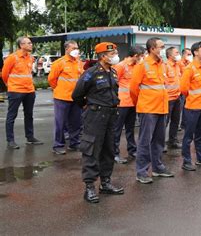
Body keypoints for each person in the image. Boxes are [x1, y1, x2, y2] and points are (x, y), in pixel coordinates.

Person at [72, 42, 124, 203]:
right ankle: (89, 187)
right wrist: (89, 107)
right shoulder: (91, 73)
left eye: (114, 52)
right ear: (102, 56)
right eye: (112, 53)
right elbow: (77, 95)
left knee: (109, 149)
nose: (115, 55)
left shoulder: (113, 72)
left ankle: (105, 183)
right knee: (92, 150)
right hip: (95, 116)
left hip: (111, 115)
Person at [129, 37, 173, 184]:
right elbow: (133, 89)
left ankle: (157, 167)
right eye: (161, 47)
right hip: (148, 109)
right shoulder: (142, 66)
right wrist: (140, 105)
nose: (163, 49)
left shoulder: (162, 65)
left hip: (162, 108)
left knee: (159, 141)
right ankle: (142, 171)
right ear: (152, 49)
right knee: (144, 141)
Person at [2, 36, 43, 149]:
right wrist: (10, 85)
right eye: (28, 43)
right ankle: (10, 141)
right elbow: (4, 74)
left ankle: (30, 137)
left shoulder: (30, 58)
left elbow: (28, 73)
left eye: (30, 43)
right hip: (15, 91)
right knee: (12, 116)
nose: (31, 45)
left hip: (29, 90)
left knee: (29, 115)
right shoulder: (12, 58)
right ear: (21, 45)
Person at [180, 41, 201, 171]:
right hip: (192, 107)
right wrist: (192, 97)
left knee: (200, 135)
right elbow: (183, 88)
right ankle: (186, 161)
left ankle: (200, 158)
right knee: (188, 135)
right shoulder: (190, 68)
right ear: (195, 52)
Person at [48, 40, 83, 155]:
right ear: (66, 49)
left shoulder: (78, 62)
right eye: (73, 48)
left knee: (76, 122)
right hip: (62, 97)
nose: (76, 50)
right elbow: (51, 79)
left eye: (76, 48)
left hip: (76, 98)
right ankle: (58, 145)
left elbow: (81, 77)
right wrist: (58, 89)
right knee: (60, 123)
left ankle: (74, 143)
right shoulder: (59, 63)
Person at [112, 45, 145, 164]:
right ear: (135, 56)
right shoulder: (121, 66)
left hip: (133, 102)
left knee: (130, 128)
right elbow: (113, 84)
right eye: (141, 56)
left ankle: (132, 150)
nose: (143, 58)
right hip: (122, 103)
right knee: (117, 129)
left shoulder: (138, 66)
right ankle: (114, 153)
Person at [164, 46, 182, 150]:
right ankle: (162, 143)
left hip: (177, 97)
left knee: (176, 121)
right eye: (176, 53)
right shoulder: (165, 66)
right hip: (168, 99)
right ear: (170, 55)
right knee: (164, 122)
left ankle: (173, 141)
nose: (178, 54)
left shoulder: (177, 66)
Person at [178, 48, 192, 131]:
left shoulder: (189, 63)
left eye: (190, 54)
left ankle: (184, 124)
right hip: (181, 89)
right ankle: (178, 125)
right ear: (183, 54)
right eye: (188, 54)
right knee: (179, 109)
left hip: (188, 89)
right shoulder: (179, 63)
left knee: (186, 108)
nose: (189, 56)